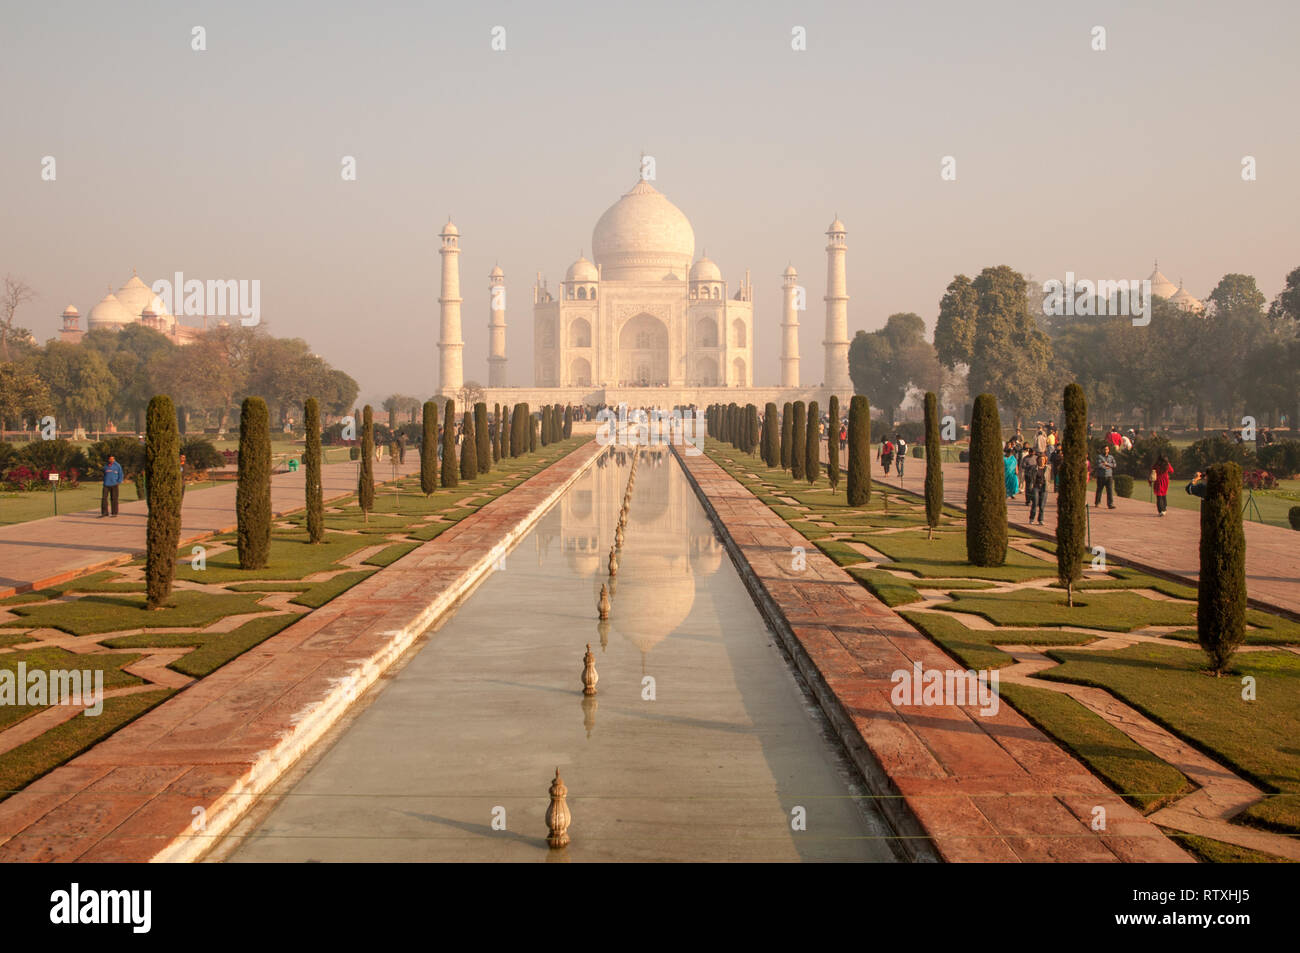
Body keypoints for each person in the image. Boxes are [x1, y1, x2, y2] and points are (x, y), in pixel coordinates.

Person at [1027, 452, 1048, 525]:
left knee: (1042, 505)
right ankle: (1031, 518)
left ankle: (1040, 520)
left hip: (1044, 488)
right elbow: (1031, 477)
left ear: (1045, 460)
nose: (1042, 461)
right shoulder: (1034, 468)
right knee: (1035, 503)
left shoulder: (1048, 468)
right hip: (1036, 487)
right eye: (1040, 459)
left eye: (1043, 460)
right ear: (1038, 460)